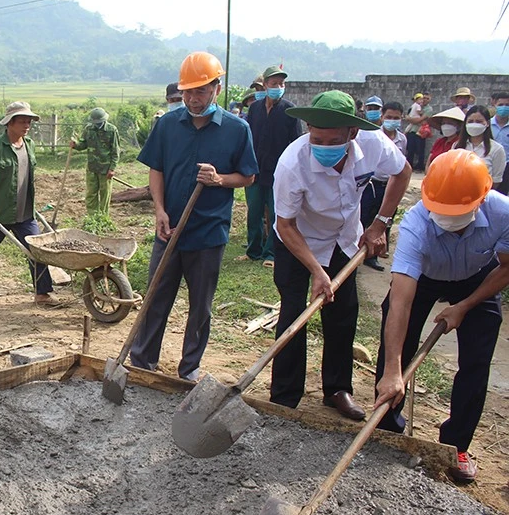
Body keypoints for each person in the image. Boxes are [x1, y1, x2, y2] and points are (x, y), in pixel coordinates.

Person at [270, 90, 411, 420]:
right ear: (308, 129)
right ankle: (284, 396)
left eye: (333, 141)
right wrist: (316, 271)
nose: (323, 146)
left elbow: (403, 172)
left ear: (353, 133)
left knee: (343, 314)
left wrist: (380, 223)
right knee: (293, 312)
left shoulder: (374, 144)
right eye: (316, 138)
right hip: (297, 240)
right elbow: (286, 224)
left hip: (344, 240)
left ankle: (337, 389)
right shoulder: (292, 163)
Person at [373, 149, 509, 484]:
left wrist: (465, 306)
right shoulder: (416, 225)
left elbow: (507, 267)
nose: (447, 218)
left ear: (481, 199)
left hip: (478, 278)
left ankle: (456, 445)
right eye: (440, 210)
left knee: (477, 360)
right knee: (395, 347)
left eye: (457, 211)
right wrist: (393, 370)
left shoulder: (503, 212)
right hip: (426, 277)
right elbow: (401, 301)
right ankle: (387, 429)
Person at [130, 52, 258, 381]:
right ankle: (142, 363)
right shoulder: (167, 125)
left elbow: (248, 176)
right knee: (155, 297)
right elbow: (156, 169)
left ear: (217, 89)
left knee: (200, 306)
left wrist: (219, 179)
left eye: (200, 91)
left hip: (208, 232)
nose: (192, 99)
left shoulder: (237, 129)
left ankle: (189, 369)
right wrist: (159, 210)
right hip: (169, 229)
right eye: (187, 92)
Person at [0, 101, 57, 307]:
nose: (27, 126)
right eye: (22, 122)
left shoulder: (29, 145)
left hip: (24, 212)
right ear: (9, 123)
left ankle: (42, 293)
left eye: (29, 122)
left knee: (37, 250)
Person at [241, 65, 301, 266]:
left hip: (279, 173)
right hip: (255, 170)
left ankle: (271, 254)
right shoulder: (255, 108)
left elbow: (295, 144)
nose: (278, 87)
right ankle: (253, 251)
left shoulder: (290, 110)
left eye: (281, 84)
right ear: (265, 85)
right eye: (274, 83)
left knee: (276, 214)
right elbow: (249, 138)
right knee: (254, 212)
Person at [359, 100, 408, 270]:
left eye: (396, 118)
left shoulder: (402, 139)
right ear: (382, 117)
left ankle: (375, 254)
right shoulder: (372, 136)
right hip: (372, 184)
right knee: (364, 217)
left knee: (384, 219)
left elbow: (403, 168)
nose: (392, 121)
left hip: (390, 185)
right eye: (389, 117)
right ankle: (356, 251)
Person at [70, 107, 120, 215]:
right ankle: (92, 216)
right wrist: (75, 145)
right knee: (91, 193)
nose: (97, 124)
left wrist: (112, 169)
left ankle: (102, 216)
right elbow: (83, 144)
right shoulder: (88, 129)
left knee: (105, 193)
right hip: (92, 167)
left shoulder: (112, 130)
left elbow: (115, 151)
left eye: (99, 122)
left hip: (105, 168)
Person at [456, 105, 507, 184]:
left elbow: (496, 180)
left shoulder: (497, 149)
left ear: (487, 123)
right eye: (470, 121)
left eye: (479, 121)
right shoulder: (456, 146)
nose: (474, 124)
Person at [404, 92, 433, 172]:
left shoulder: (428, 109)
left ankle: (420, 167)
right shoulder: (416, 106)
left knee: (420, 150)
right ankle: (409, 166)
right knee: (410, 149)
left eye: (427, 98)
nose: (425, 100)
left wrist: (410, 119)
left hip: (420, 132)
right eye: (424, 98)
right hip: (412, 130)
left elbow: (419, 120)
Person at [491, 91, 509, 191]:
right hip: (491, 166)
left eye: (507, 105)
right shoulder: (488, 125)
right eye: (501, 105)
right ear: (495, 104)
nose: (504, 107)